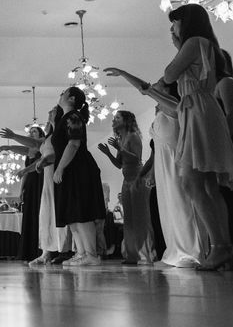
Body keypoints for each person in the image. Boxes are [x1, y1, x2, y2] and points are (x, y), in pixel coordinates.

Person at [161, 4, 233, 270]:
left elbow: (170, 75)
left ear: (186, 22)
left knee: (192, 183)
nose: (172, 28)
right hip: (201, 108)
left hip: (196, 109)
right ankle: (224, 247)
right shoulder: (204, 43)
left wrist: (177, 46)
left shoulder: (193, 41)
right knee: (207, 185)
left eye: (175, 23)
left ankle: (220, 246)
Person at [103, 68, 206, 267]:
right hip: (161, 167)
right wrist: (149, 173)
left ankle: (191, 252)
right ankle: (175, 250)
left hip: (176, 161)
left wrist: (124, 73)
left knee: (182, 204)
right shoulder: (159, 111)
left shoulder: (174, 106)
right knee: (168, 209)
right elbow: (153, 153)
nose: (157, 83)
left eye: (160, 83)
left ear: (168, 90)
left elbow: (144, 88)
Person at [52, 86, 106, 266]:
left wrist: (59, 168)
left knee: (82, 212)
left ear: (72, 99)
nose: (60, 95)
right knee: (72, 216)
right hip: (70, 169)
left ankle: (91, 254)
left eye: (63, 92)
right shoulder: (64, 119)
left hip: (79, 169)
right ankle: (81, 253)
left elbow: (73, 144)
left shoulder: (74, 117)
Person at [98, 111, 154, 265]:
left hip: (137, 178)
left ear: (127, 120)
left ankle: (145, 254)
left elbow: (136, 158)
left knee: (140, 217)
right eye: (114, 118)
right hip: (126, 179)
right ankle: (131, 255)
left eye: (117, 117)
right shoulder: (121, 139)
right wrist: (109, 152)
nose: (114, 120)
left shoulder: (133, 136)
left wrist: (119, 148)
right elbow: (119, 164)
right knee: (129, 219)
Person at [28, 106, 73, 266]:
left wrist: (44, 161)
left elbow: (60, 153)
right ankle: (46, 251)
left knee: (58, 211)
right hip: (47, 175)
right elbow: (35, 148)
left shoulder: (61, 132)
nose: (48, 112)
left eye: (52, 111)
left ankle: (64, 250)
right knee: (46, 213)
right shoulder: (49, 135)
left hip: (57, 174)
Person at [0, 126, 46, 261]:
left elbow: (36, 159)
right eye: (29, 132)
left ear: (41, 134)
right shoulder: (30, 150)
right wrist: (21, 190)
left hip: (40, 181)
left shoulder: (43, 144)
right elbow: (25, 153)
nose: (31, 133)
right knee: (30, 214)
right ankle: (29, 251)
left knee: (39, 212)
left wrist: (12, 141)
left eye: (34, 131)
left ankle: (41, 249)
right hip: (30, 183)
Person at [215, 50, 233, 256]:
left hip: (232, 144)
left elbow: (232, 114)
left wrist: (224, 145)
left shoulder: (226, 83)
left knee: (232, 196)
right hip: (226, 144)